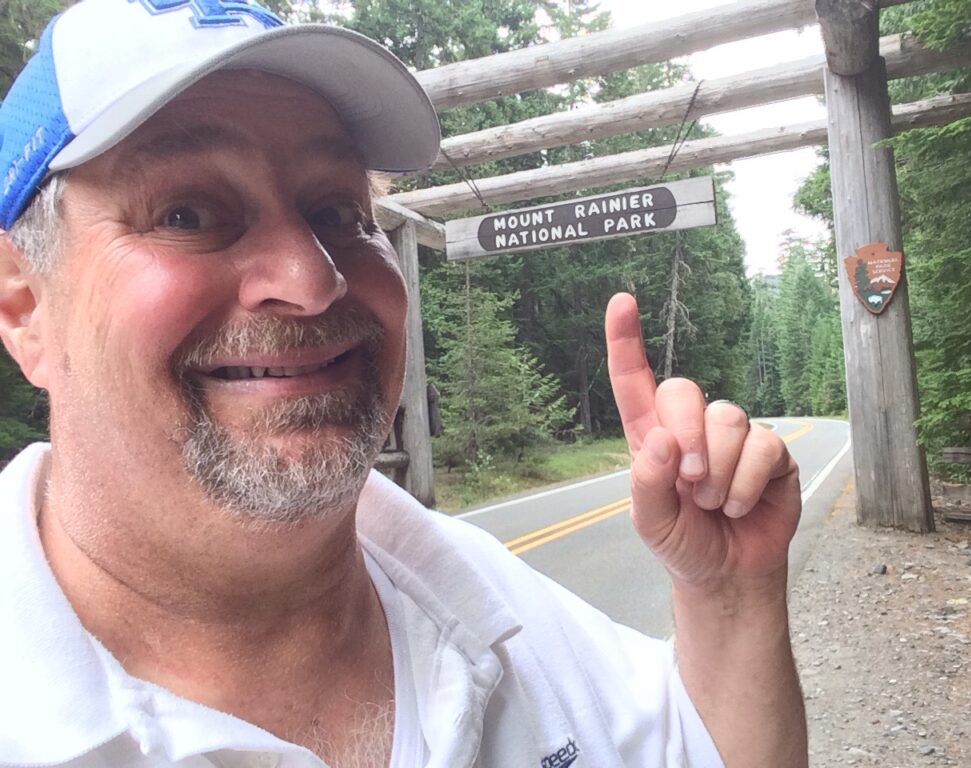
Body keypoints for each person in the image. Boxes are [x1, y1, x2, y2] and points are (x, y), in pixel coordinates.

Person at [0, 1, 807, 766]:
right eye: (187, 213)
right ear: (23, 304)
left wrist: (728, 600)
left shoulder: (463, 587)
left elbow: (693, 748)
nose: (312, 281)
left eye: (339, 212)